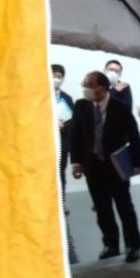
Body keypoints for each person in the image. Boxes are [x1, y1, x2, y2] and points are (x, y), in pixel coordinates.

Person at [69, 70, 140, 262]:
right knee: (101, 207)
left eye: (89, 85)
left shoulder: (120, 107)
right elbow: (75, 135)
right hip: (92, 164)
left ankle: (132, 245)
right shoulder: (81, 106)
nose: (85, 89)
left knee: (124, 205)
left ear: (102, 87)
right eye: (84, 85)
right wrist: (76, 162)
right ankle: (110, 244)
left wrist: (137, 162)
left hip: (116, 164)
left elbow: (134, 135)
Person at [52, 63, 75, 198]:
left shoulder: (67, 98)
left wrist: (63, 126)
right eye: (53, 76)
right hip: (44, 143)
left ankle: (61, 200)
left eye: (59, 76)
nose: (56, 79)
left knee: (60, 172)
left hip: (62, 142)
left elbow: (73, 120)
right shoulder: (39, 97)